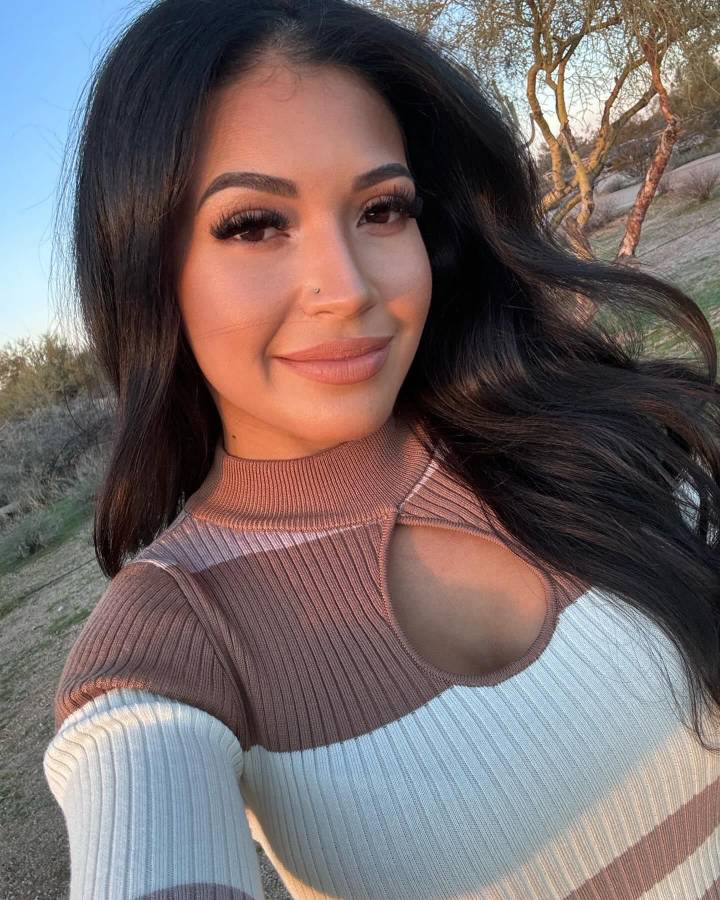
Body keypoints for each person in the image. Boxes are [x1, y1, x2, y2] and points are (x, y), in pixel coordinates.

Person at [43, 0, 720, 896]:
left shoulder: (581, 427)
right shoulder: (171, 646)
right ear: (144, 270)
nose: (348, 287)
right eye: (254, 224)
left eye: (381, 209)